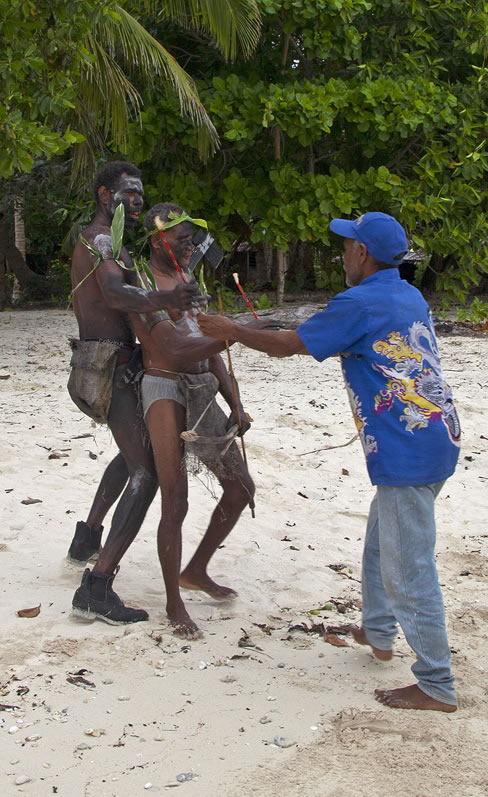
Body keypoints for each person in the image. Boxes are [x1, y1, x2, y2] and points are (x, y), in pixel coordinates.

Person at [198, 212, 461, 712]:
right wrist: (251, 327)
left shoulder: (359, 301)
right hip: (438, 436)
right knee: (382, 546)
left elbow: (288, 346)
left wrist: (231, 329)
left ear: (363, 254)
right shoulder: (406, 293)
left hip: (407, 451)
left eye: (347, 247)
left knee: (409, 567)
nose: (341, 254)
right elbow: (316, 330)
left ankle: (436, 683)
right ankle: (379, 632)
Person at [67, 162, 202, 624]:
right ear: (105, 194)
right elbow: (115, 293)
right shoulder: (103, 240)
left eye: (142, 194)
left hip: (104, 362)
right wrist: (168, 300)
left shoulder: (114, 241)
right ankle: (97, 586)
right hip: (109, 364)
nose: (138, 200)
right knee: (146, 475)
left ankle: (87, 537)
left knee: (129, 456)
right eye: (129, 193)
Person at [128, 202, 259, 638]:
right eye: (181, 240)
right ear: (156, 240)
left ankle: (196, 569)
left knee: (241, 487)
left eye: (191, 239)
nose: (190, 247)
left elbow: (207, 345)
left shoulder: (189, 279)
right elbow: (174, 352)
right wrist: (235, 333)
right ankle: (173, 601)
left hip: (201, 388)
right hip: (164, 386)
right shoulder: (143, 284)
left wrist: (234, 400)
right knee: (176, 500)